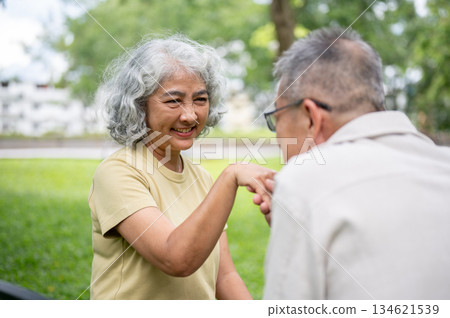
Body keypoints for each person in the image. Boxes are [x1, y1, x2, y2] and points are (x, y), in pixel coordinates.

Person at [256, 27, 450, 299]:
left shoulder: (304, 181)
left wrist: (300, 203)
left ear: (311, 116)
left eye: (276, 117)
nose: (277, 135)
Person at [88, 35, 274, 299]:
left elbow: (224, 276)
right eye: (173, 101)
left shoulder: (201, 177)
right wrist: (231, 176)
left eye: (200, 99)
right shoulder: (119, 172)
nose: (189, 115)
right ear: (140, 106)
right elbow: (175, 259)